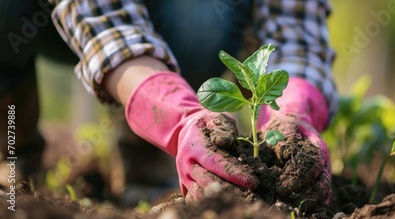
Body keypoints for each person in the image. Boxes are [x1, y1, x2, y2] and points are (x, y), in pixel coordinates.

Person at [1, 0, 338, 208]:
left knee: (199, 16)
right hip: (47, 15)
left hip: (181, 23)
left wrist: (293, 111)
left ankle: (147, 157)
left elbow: (297, 34)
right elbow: (103, 20)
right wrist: (177, 118)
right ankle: (13, 155)